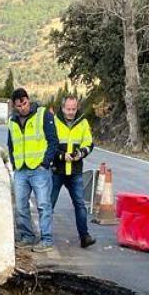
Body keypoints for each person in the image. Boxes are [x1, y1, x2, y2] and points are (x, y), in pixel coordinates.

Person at [6, 88, 58, 252]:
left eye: (25, 103)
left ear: (28, 100)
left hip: (39, 169)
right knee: (21, 206)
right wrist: (14, 164)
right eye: (19, 106)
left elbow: (53, 141)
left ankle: (47, 240)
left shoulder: (43, 115)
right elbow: (11, 144)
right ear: (14, 106)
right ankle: (27, 237)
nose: (23, 108)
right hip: (21, 170)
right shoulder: (12, 121)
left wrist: (45, 163)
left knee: (43, 205)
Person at [51, 96, 96, 249]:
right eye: (68, 109)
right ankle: (45, 237)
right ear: (62, 108)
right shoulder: (54, 122)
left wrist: (81, 153)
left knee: (80, 205)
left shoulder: (83, 123)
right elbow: (49, 144)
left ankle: (84, 236)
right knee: (49, 204)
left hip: (75, 171)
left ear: (77, 108)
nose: (71, 112)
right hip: (57, 170)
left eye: (73, 109)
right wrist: (61, 155)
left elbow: (89, 143)